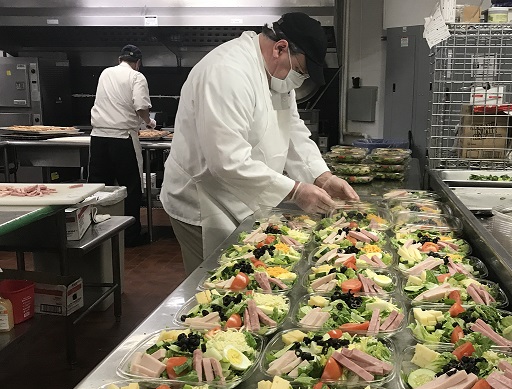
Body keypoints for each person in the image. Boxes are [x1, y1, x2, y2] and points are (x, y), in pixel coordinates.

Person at [161, 12, 359, 275]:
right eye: (300, 70)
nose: (299, 80)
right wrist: (296, 191)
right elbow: (227, 160)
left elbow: (293, 131)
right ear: (280, 48)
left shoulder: (274, 73)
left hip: (242, 196)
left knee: (245, 275)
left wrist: (321, 177)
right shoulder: (227, 72)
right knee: (214, 284)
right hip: (203, 199)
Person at [89, 44, 156, 247]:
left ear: (120, 59)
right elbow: (141, 106)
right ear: (138, 63)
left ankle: (98, 235)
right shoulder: (137, 77)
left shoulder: (105, 73)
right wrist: (150, 123)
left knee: (100, 188)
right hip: (122, 138)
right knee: (130, 188)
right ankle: (130, 236)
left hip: (98, 137)